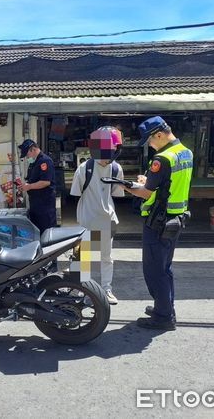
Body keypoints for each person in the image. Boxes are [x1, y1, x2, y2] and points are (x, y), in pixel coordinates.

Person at [122, 116, 193, 331]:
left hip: (159, 222)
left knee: (154, 271)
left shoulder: (162, 159)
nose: (150, 145)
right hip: (176, 218)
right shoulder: (185, 152)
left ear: (159, 135)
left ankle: (163, 317)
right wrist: (148, 181)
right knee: (165, 268)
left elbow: (145, 193)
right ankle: (165, 308)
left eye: (150, 141)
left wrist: (123, 186)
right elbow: (168, 184)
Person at [70, 127, 124, 305]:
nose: (105, 157)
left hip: (107, 220)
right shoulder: (84, 168)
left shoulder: (116, 169)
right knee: (82, 256)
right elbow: (76, 193)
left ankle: (106, 289)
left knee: (106, 257)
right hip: (87, 219)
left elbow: (116, 194)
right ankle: (81, 289)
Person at [18, 139, 56, 234]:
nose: (27, 157)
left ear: (33, 149)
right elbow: (32, 179)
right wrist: (24, 185)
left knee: (46, 232)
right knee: (37, 231)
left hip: (44, 205)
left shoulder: (45, 161)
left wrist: (29, 186)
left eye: (27, 155)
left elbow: (45, 182)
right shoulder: (34, 163)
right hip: (36, 204)